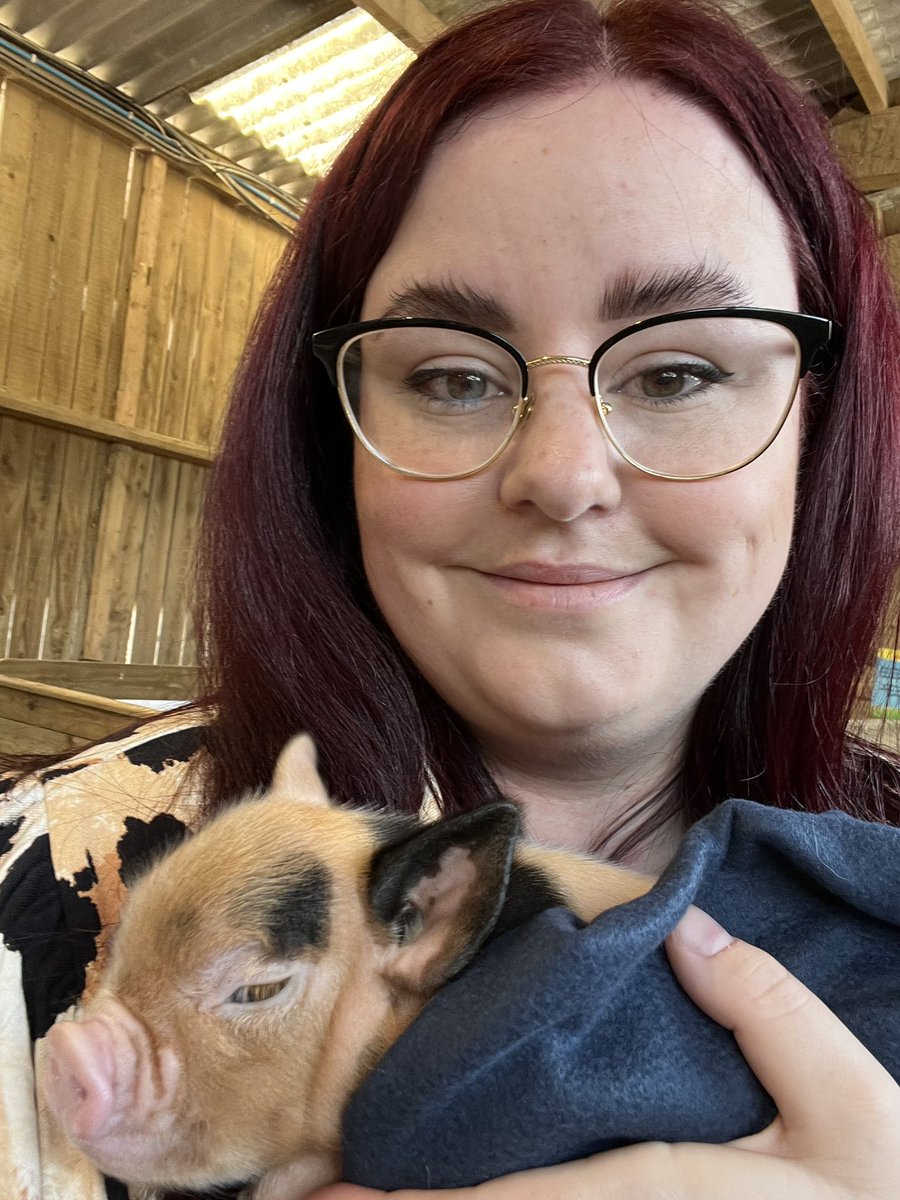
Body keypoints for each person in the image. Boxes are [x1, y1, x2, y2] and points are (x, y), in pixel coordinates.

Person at [2, 0, 899, 1197]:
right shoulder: (44, 886)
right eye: (453, 376)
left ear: (818, 429)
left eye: (681, 370)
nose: (563, 476)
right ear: (340, 437)